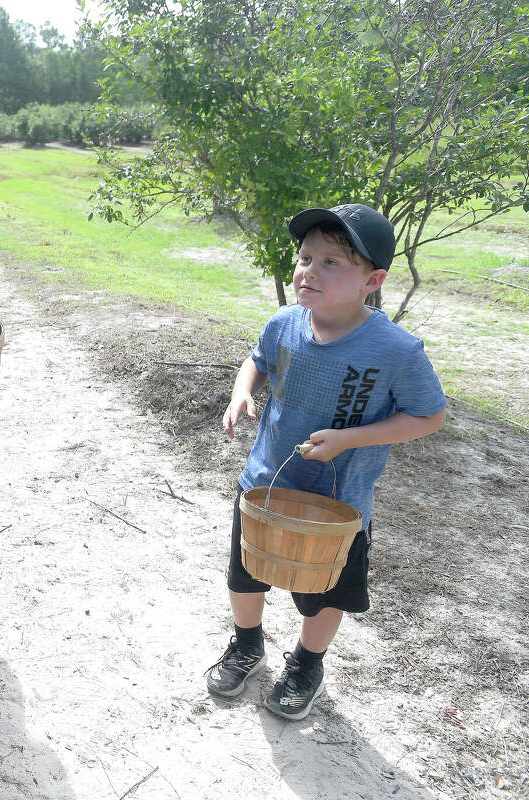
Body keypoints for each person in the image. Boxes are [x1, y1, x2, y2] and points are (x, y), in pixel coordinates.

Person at [207, 203, 447, 719]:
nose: (309, 270)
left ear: (373, 280)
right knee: (245, 575)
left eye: (332, 262)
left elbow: (429, 416)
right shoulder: (285, 323)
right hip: (265, 486)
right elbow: (257, 359)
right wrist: (241, 393)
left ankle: (307, 664)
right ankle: (247, 643)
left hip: (337, 505)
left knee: (323, 596)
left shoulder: (395, 350)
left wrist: (351, 438)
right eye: (305, 257)